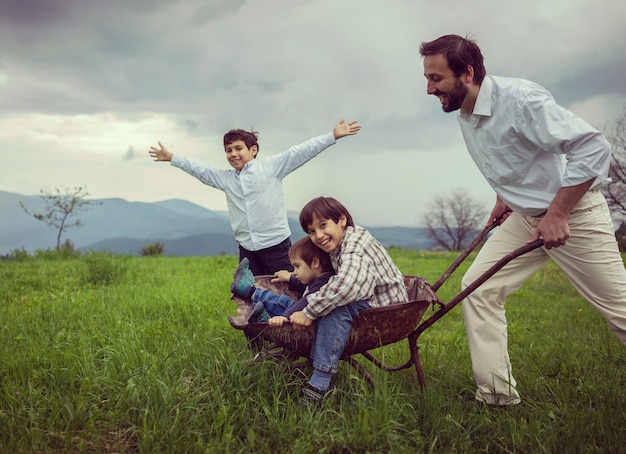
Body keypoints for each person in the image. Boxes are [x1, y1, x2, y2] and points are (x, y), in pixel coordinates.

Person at [419, 34, 626, 406]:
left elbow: (593, 146)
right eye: (427, 79)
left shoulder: (520, 100)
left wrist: (558, 212)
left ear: (467, 73)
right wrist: (505, 197)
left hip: (573, 215)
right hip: (526, 217)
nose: (429, 89)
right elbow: (515, 157)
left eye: (436, 79)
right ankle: (496, 397)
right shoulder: (464, 111)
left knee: (619, 310)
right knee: (478, 289)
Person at [148, 120, 361, 276]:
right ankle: (256, 337)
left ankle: (289, 335)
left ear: (253, 149)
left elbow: (299, 152)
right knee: (251, 294)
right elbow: (201, 170)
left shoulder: (270, 167)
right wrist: (172, 158)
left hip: (276, 245)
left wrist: (331, 136)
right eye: (228, 150)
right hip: (247, 249)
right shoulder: (226, 179)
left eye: (238, 148)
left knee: (288, 287)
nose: (233, 154)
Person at [289, 196, 409, 403]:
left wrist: (310, 311)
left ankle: (320, 381)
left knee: (335, 307)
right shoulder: (340, 244)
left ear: (341, 220)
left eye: (323, 225)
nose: (318, 235)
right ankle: (318, 351)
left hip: (386, 308)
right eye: (311, 231)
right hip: (369, 296)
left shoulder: (355, 245)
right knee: (326, 299)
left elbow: (348, 286)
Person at [230, 236, 335, 325]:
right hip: (300, 314)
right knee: (282, 301)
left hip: (300, 318)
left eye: (297, 266)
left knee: (282, 302)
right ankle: (262, 316)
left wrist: (286, 316)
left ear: (315, 263)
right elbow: (304, 286)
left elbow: (306, 301)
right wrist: (289, 278)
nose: (294, 271)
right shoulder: (320, 279)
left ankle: (247, 290)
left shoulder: (322, 285)